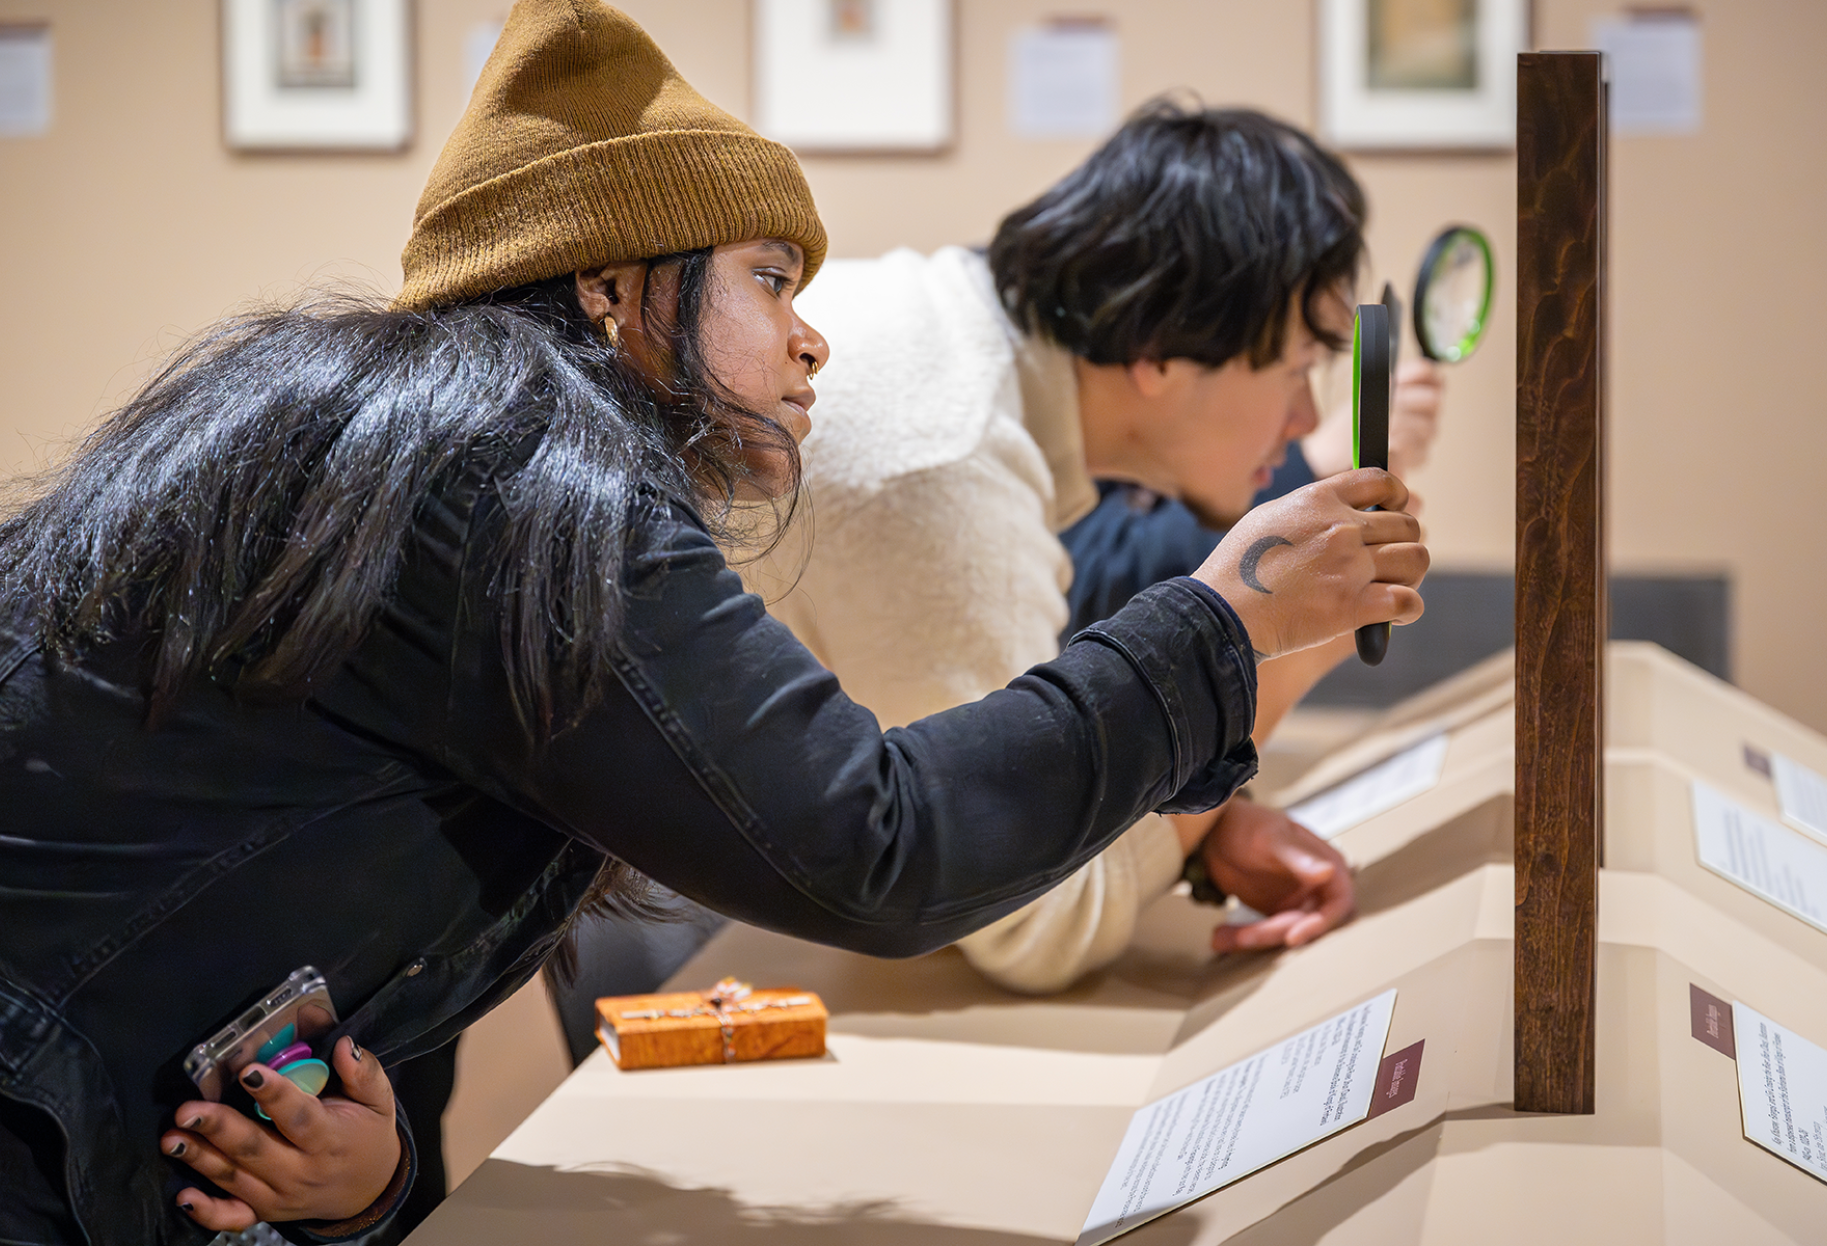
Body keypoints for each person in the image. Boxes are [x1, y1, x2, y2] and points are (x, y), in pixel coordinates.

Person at [0, 4, 1427, 1244]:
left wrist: (365, 1181)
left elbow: (306, 912)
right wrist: (1224, 626)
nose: (813, 338)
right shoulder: (512, 476)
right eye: (767, 278)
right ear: (611, 290)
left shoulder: (445, 441)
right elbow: (878, 845)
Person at [727, 104, 1427, 996]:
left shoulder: (956, 346)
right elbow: (1032, 921)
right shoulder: (942, 459)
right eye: (1293, 369)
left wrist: (1206, 820)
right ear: (1155, 345)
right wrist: (1279, 651)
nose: (1300, 421)